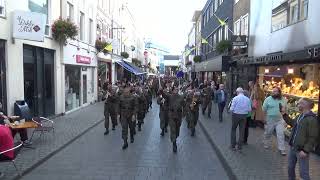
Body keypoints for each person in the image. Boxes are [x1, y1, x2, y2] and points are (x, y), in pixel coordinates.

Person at [287, 98, 319, 180]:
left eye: (300, 103)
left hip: (302, 150)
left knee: (303, 173)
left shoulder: (312, 119)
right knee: (290, 168)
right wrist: (284, 115)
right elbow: (292, 123)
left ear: (306, 105)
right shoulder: (300, 115)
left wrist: (305, 150)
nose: (298, 104)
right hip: (293, 147)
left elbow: (313, 137)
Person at [262, 87, 287, 156]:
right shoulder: (268, 99)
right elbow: (264, 109)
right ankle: (266, 142)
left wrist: (285, 120)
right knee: (268, 132)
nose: (273, 92)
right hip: (270, 119)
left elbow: (285, 110)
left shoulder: (284, 100)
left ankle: (282, 148)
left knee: (280, 134)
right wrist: (264, 118)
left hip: (280, 119)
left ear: (279, 92)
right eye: (273, 91)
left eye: (275, 91)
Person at [164, 86, 185, 153]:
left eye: (177, 90)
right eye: (175, 90)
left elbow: (184, 105)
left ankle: (175, 138)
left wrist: (184, 114)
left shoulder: (180, 97)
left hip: (178, 116)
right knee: (173, 129)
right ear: (173, 91)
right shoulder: (170, 96)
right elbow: (164, 95)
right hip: (172, 116)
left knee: (177, 131)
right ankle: (174, 144)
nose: (176, 91)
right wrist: (161, 90)